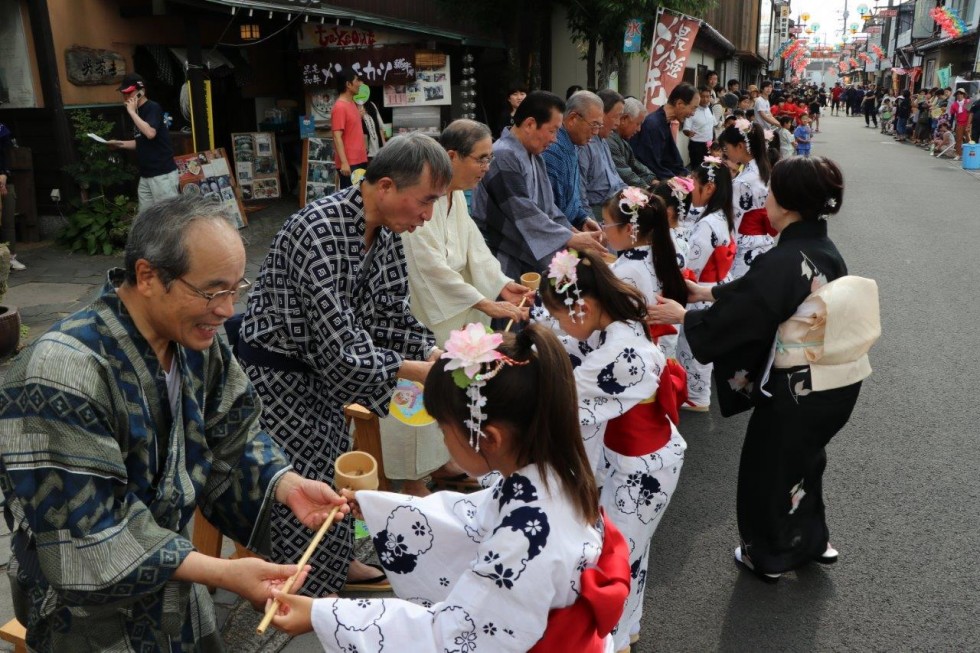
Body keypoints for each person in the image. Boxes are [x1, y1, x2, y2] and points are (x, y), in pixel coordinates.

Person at [0, 195, 350, 651]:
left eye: (235, 289)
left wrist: (284, 484)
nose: (227, 310)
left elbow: (233, 434)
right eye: (212, 291)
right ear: (147, 276)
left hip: (175, 585)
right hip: (87, 616)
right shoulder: (62, 372)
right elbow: (88, 531)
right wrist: (223, 572)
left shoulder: (194, 339)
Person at [267, 323, 631, 651]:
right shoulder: (555, 471)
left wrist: (326, 615)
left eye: (444, 428)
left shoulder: (524, 536)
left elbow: (452, 636)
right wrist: (379, 507)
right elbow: (470, 519)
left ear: (488, 438)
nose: (442, 439)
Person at [238, 133, 452, 597]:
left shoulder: (389, 234)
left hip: (326, 373)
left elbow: (393, 316)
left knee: (337, 474)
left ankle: (334, 565)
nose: (427, 214)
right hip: (279, 377)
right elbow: (342, 345)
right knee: (305, 479)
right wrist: (415, 370)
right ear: (388, 187)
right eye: (426, 200)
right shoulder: (318, 228)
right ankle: (301, 590)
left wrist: (436, 355)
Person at [648, 156, 876, 582]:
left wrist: (687, 315)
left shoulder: (786, 258)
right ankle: (810, 540)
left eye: (771, 191)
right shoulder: (821, 249)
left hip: (798, 389)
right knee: (805, 461)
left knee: (765, 467)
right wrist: (708, 292)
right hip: (837, 384)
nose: (765, 196)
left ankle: (768, 554)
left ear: (786, 203)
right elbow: (760, 292)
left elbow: (752, 309)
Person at [539, 248, 686, 652]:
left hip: (645, 470)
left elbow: (564, 396)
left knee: (615, 559)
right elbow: (572, 346)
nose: (559, 324)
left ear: (583, 307)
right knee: (632, 552)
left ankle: (614, 640)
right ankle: (628, 629)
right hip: (640, 459)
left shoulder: (620, 355)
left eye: (560, 314)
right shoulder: (616, 323)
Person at [397, 120, 532, 495]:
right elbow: (427, 266)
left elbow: (475, 248)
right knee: (425, 395)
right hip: (431, 310)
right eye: (481, 159)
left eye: (489, 159)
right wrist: (483, 301)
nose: (486, 168)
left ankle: (443, 461)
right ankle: (408, 478)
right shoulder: (427, 197)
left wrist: (502, 285)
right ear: (452, 156)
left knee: (453, 393)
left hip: (457, 306)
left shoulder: (457, 196)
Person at [472, 91, 605, 279]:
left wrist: (575, 231)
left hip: (527, 248)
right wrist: (571, 238)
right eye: (552, 130)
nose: (555, 139)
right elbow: (524, 212)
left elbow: (549, 209)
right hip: (503, 254)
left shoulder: (535, 156)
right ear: (530, 124)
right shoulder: (503, 155)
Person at [672, 157, 735, 411]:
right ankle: (697, 393)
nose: (690, 190)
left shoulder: (708, 223)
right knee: (700, 346)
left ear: (708, 188)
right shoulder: (722, 216)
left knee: (693, 346)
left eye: (694, 184)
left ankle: (697, 396)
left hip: (702, 290)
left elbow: (692, 267)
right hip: (719, 284)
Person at [604, 187, 688, 359]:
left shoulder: (627, 271)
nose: (603, 229)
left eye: (605, 223)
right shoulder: (656, 251)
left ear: (629, 229)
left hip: (630, 351)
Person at [106, 73, 178, 213]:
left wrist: (132, 113)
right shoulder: (138, 112)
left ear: (141, 91)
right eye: (123, 94)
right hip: (146, 175)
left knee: (168, 218)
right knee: (145, 218)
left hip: (162, 174)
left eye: (129, 93)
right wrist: (119, 144)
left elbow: (150, 133)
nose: (126, 97)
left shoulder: (152, 107)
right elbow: (140, 142)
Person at [717, 120, 775, 280]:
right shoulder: (762, 169)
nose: (725, 153)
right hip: (762, 240)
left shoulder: (744, 181)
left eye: (726, 148)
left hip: (746, 242)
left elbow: (734, 217)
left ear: (740, 146)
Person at [542, 90, 605, 230]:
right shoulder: (554, 149)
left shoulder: (572, 144)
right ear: (573, 119)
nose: (595, 132)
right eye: (594, 125)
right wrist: (576, 236)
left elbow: (571, 200)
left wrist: (584, 219)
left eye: (599, 126)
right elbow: (550, 210)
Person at [631, 83, 699, 180]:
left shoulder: (664, 122)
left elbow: (672, 161)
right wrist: (678, 181)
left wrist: (687, 175)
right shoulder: (652, 124)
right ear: (679, 104)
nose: (693, 114)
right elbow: (651, 165)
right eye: (693, 108)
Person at [578, 89, 627, 221]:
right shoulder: (585, 143)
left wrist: (634, 195)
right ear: (600, 114)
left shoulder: (603, 140)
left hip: (616, 203)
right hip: (598, 211)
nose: (617, 124)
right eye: (616, 116)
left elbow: (615, 178)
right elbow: (580, 195)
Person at [331, 67, 369, 188]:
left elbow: (351, 129)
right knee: (351, 201)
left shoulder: (352, 103)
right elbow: (337, 137)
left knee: (359, 197)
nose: (360, 84)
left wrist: (359, 116)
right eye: (357, 80)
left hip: (359, 159)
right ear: (348, 84)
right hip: (350, 163)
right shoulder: (339, 107)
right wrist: (344, 163)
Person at [607, 97, 657, 187]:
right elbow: (627, 176)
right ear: (624, 119)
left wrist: (652, 179)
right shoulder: (610, 141)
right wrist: (649, 189)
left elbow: (638, 167)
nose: (639, 129)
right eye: (638, 124)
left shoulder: (623, 142)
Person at [0, 121, 26, 270]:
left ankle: (10, 257)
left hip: (4, 179)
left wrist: (4, 173)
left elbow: (7, 154)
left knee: (7, 221)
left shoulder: (2, 130)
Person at [682, 86, 716, 169]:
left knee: (710, 169)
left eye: (707, 97)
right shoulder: (692, 110)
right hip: (697, 146)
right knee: (698, 171)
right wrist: (689, 133)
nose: (705, 99)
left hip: (709, 145)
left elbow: (713, 125)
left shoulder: (710, 109)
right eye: (702, 96)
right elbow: (685, 129)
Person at [357, 91, 387, 161]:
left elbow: (380, 127)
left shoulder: (371, 105)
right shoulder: (352, 106)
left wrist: (384, 146)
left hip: (377, 149)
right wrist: (359, 117)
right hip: (364, 150)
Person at [949, 88, 970, 160]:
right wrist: (950, 125)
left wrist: (970, 124)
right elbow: (952, 116)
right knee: (958, 139)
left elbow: (970, 114)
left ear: (964, 95)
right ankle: (959, 154)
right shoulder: (954, 105)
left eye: (961, 94)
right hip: (959, 123)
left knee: (969, 139)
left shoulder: (968, 102)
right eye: (957, 94)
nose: (959, 95)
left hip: (968, 123)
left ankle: (970, 155)